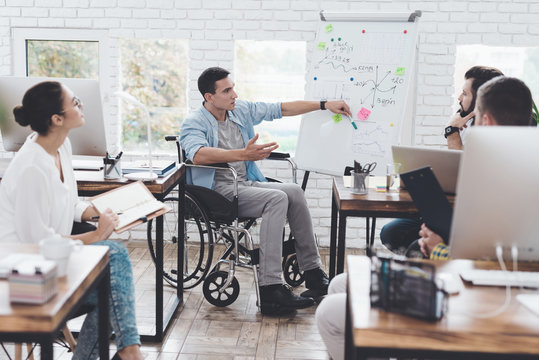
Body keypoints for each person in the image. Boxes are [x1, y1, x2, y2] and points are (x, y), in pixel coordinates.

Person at [316, 75, 534, 360]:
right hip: (469, 284)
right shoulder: (515, 164)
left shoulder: (505, 176)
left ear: (488, 121)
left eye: (477, 118)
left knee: (331, 312)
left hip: (475, 302)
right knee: (340, 284)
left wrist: (441, 249)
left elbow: (501, 269)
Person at [180, 67, 352, 315]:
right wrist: (242, 154)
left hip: (245, 184)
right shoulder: (194, 122)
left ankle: (313, 274)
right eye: (227, 90)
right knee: (277, 198)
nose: (234, 94)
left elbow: (282, 108)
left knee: (293, 191)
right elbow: (197, 153)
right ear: (209, 97)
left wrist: (325, 104)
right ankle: (271, 288)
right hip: (217, 191)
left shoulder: (239, 111)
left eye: (233, 88)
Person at [0, 81, 143, 360]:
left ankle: (128, 351)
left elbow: (67, 202)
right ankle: (130, 352)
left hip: (53, 265)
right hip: (22, 275)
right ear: (57, 119)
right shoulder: (31, 168)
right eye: (75, 102)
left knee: (112, 286)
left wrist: (97, 211)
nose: (81, 106)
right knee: (113, 256)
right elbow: (37, 244)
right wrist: (96, 236)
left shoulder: (61, 147)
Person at [380, 66, 504, 254]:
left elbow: (463, 176)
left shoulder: (493, 134)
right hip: (453, 209)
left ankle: (425, 263)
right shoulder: (468, 125)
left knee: (397, 233)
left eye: (464, 93)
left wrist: (451, 132)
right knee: (391, 231)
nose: (459, 98)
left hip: (469, 216)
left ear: (480, 101)